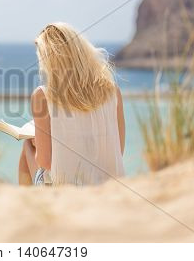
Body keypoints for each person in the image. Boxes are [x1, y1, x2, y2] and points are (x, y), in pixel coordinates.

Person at [18, 22, 125, 186]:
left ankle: (28, 208)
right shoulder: (113, 91)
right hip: (110, 187)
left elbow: (45, 162)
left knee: (27, 147)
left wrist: (36, 140)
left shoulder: (43, 96)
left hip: (66, 190)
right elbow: (119, 148)